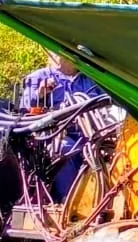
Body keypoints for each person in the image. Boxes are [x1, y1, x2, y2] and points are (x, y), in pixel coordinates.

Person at [20, 50, 105, 200]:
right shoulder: (40, 77)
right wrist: (40, 95)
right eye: (56, 51)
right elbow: (25, 109)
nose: (60, 56)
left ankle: (103, 198)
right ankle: (70, 199)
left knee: (109, 150)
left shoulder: (91, 80)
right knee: (66, 148)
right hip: (54, 136)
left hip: (92, 133)